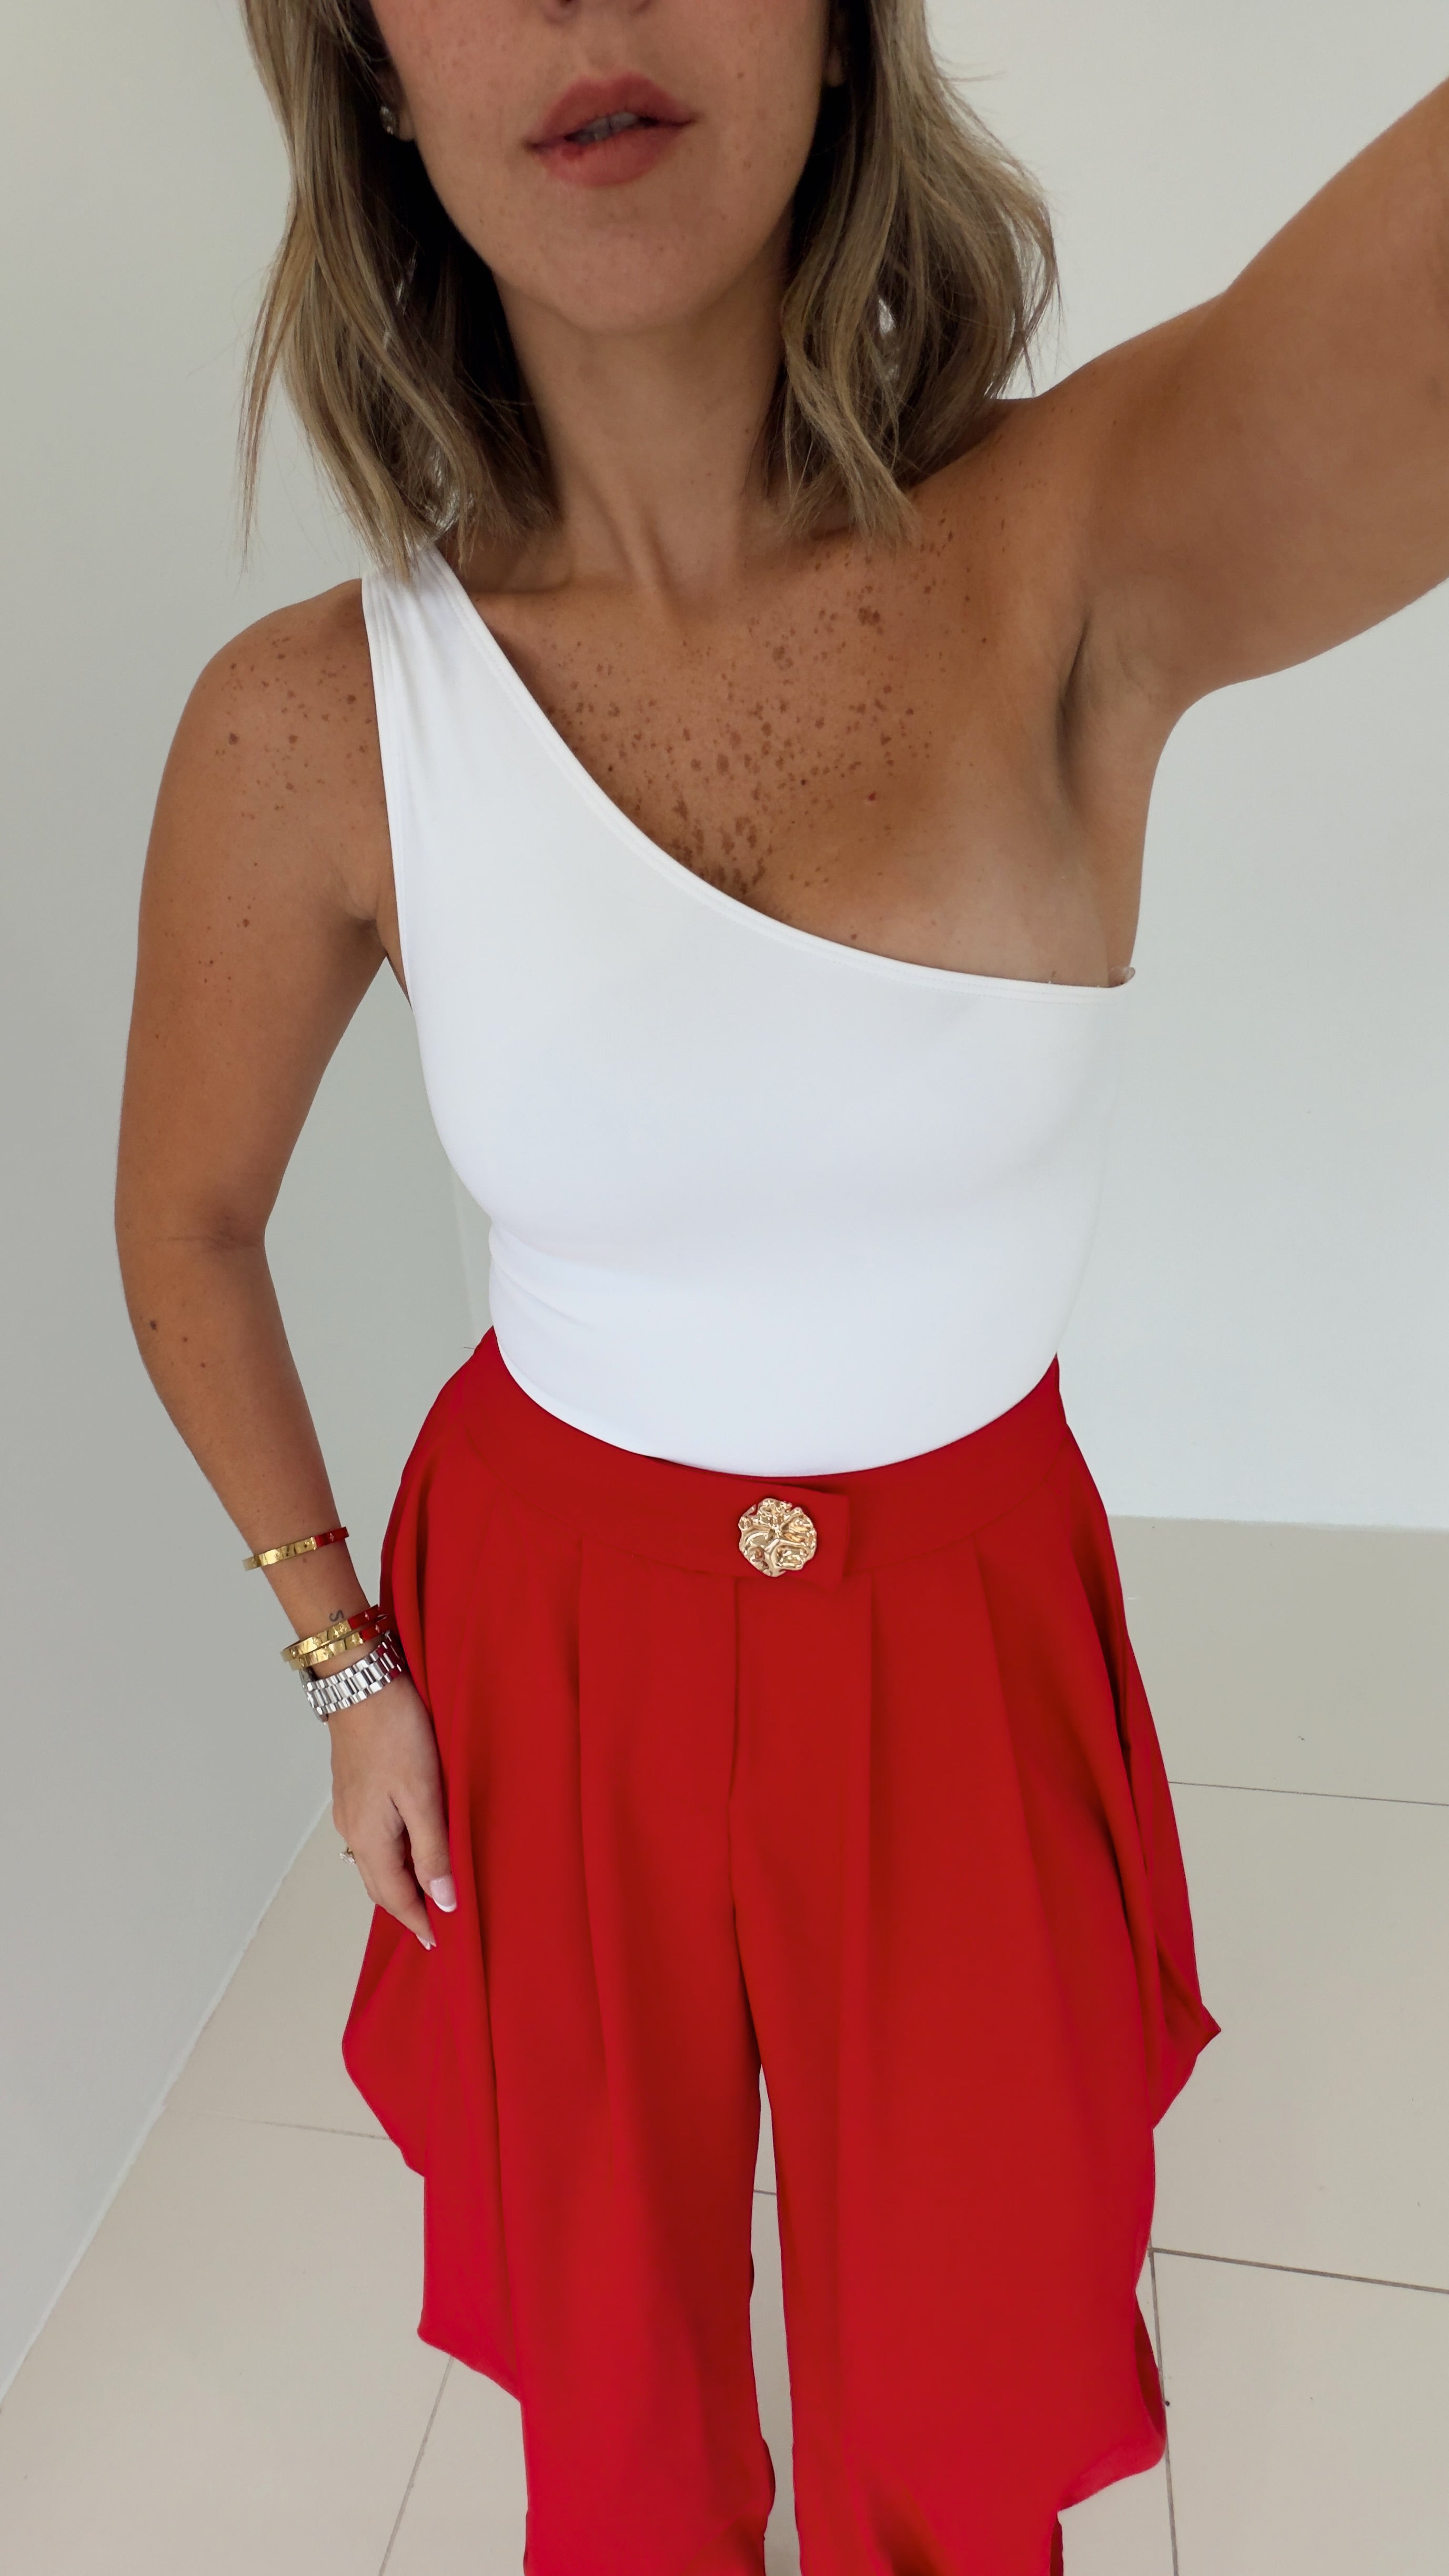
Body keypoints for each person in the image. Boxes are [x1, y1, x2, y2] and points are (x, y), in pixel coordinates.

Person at [114, 4, 1448, 2570]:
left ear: (835, 32)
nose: (583, 5)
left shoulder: (1083, 544)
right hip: (543, 1634)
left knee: (961, 2346)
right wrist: (343, 1661)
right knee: (609, 2372)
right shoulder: (311, 724)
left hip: (960, 1629)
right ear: (371, 69)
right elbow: (186, 1221)